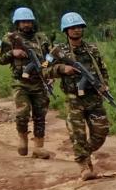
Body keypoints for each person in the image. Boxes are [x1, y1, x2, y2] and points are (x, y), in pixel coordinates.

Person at [44, 12, 111, 181]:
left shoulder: (92, 49)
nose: (76, 30)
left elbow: (102, 69)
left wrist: (104, 84)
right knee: (77, 134)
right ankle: (83, 166)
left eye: (79, 27)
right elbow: (43, 70)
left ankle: (84, 152)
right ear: (66, 30)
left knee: (101, 132)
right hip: (74, 98)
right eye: (72, 28)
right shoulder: (56, 51)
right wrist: (61, 69)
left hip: (94, 97)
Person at [0, 7, 54, 158]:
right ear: (17, 23)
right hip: (20, 82)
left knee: (40, 115)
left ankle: (38, 147)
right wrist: (12, 53)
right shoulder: (9, 39)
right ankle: (23, 139)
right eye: (23, 22)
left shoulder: (42, 38)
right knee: (22, 113)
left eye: (29, 21)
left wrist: (45, 69)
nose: (26, 24)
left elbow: (51, 57)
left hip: (40, 82)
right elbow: (0, 60)